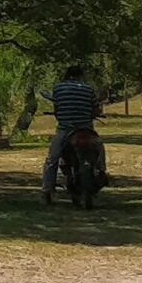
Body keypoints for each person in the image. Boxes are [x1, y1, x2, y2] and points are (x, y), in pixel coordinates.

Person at [41, 62, 101, 200]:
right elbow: (95, 109)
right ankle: (101, 170)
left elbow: (57, 110)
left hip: (65, 129)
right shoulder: (88, 88)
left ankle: (47, 190)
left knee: (52, 158)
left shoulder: (58, 88)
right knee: (98, 149)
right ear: (80, 76)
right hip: (85, 128)